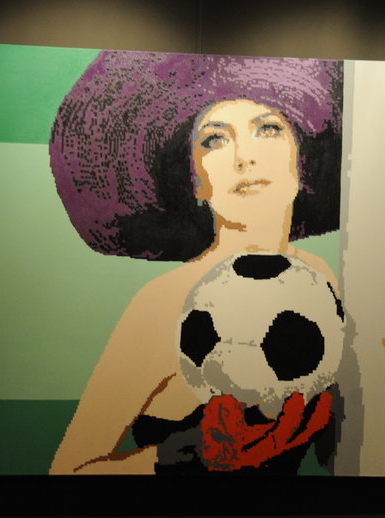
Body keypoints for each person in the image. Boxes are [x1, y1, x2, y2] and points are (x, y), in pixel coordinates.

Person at [47, 51, 345, 474]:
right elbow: (69, 469)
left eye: (268, 129)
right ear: (196, 181)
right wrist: (174, 457)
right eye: (214, 140)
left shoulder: (319, 279)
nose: (244, 157)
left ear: (302, 159)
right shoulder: (162, 304)